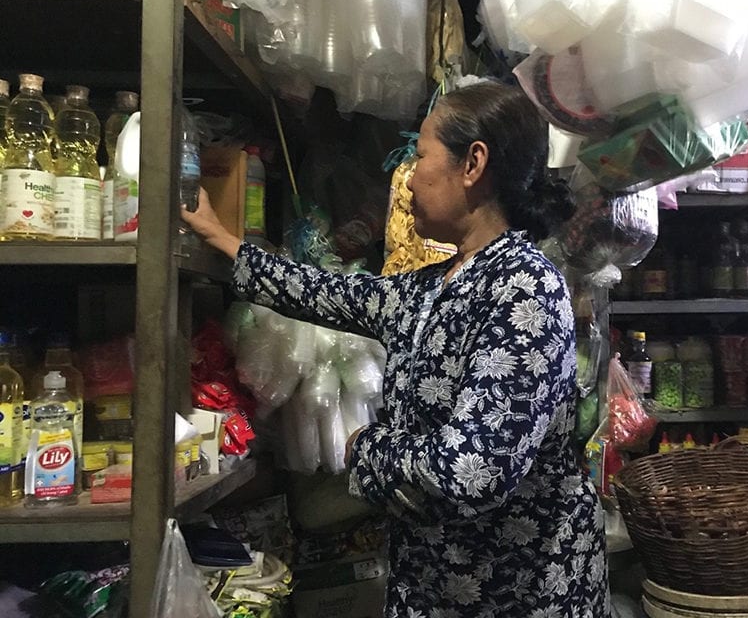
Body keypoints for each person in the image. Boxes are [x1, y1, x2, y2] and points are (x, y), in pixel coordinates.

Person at [182, 81, 610, 617]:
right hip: (439, 581)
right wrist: (220, 237)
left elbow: (472, 471)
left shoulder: (523, 287)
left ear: (472, 164)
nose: (405, 179)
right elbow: (324, 293)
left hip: (514, 591)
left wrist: (368, 448)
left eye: (421, 155)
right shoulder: (434, 285)